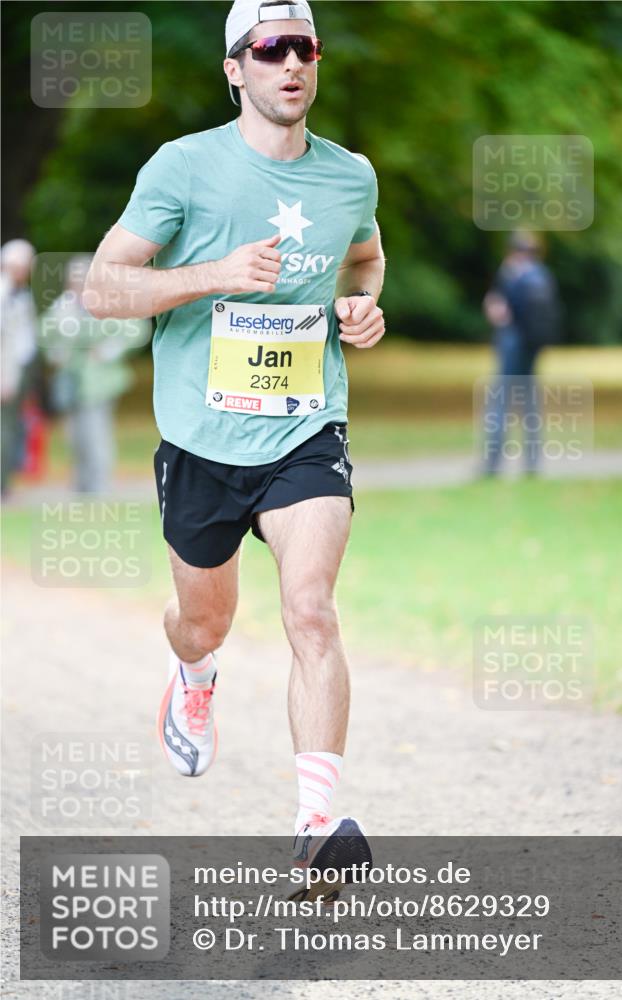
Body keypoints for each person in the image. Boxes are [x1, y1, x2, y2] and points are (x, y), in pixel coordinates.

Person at [84, 0, 384, 871]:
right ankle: (193, 676)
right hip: (200, 438)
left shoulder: (349, 177)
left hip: (305, 428)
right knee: (202, 622)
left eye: (304, 48)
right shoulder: (183, 167)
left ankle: (315, 826)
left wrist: (362, 306)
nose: (290, 63)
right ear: (234, 68)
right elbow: (102, 288)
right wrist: (214, 273)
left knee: (311, 610)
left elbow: (366, 258)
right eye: (270, 48)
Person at [40, 254, 150, 493]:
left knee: (95, 432)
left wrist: (110, 350)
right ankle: (81, 484)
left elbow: (137, 330)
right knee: (73, 434)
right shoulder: (63, 306)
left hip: (100, 380)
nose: (78, 283)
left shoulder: (108, 302)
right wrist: (56, 352)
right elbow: (45, 336)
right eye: (74, 279)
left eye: (82, 278)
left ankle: (99, 486)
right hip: (70, 381)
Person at [482, 230, 561, 476]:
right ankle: (533, 463)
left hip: (512, 343)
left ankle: (493, 463)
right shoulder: (543, 275)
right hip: (533, 346)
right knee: (530, 403)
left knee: (501, 401)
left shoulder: (513, 274)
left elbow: (500, 311)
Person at [1, 239, 39, 495]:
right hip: (7, 372)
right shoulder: (4, 295)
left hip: (19, 369)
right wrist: (4, 378)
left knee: (12, 426)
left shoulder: (20, 293)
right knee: (5, 428)